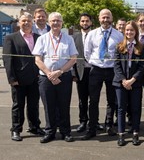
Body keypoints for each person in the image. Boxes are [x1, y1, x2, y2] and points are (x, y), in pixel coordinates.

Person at [32, 12, 78, 143]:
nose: (56, 23)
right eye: (53, 21)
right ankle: (50, 132)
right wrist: (49, 74)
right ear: (49, 22)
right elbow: (37, 60)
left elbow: (73, 59)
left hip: (64, 77)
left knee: (64, 105)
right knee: (48, 105)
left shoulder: (69, 39)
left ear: (62, 22)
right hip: (46, 78)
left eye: (58, 20)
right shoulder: (42, 39)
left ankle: (66, 132)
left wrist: (59, 72)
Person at [82, 9, 124, 140]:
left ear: (112, 19)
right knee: (93, 100)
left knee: (112, 101)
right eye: (103, 18)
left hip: (112, 70)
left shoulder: (118, 35)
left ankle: (109, 126)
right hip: (96, 70)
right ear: (99, 19)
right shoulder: (92, 34)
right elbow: (87, 53)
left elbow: (121, 53)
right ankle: (92, 128)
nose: (105, 20)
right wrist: (96, 62)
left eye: (108, 17)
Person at [3, 12, 44, 141]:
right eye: (23, 21)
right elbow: (8, 59)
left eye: (29, 21)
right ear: (19, 23)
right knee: (18, 106)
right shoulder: (11, 38)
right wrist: (11, 78)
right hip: (18, 80)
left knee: (34, 105)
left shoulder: (39, 37)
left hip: (35, 78)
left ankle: (35, 127)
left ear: (33, 23)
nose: (26, 23)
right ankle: (16, 130)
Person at [113, 21, 144, 146]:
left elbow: (142, 66)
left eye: (132, 30)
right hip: (120, 83)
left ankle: (135, 134)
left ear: (136, 32)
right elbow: (116, 65)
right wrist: (123, 80)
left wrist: (133, 80)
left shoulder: (141, 47)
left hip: (135, 83)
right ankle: (121, 134)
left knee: (135, 108)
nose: (129, 32)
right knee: (121, 109)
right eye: (127, 30)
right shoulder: (119, 46)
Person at [72, 13, 103, 133]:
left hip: (94, 70)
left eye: (87, 21)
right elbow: (72, 57)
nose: (85, 23)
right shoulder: (74, 37)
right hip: (81, 72)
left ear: (91, 22)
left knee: (94, 99)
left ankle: (94, 121)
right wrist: (73, 73)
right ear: (80, 23)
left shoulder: (96, 35)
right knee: (82, 99)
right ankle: (83, 121)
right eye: (83, 21)